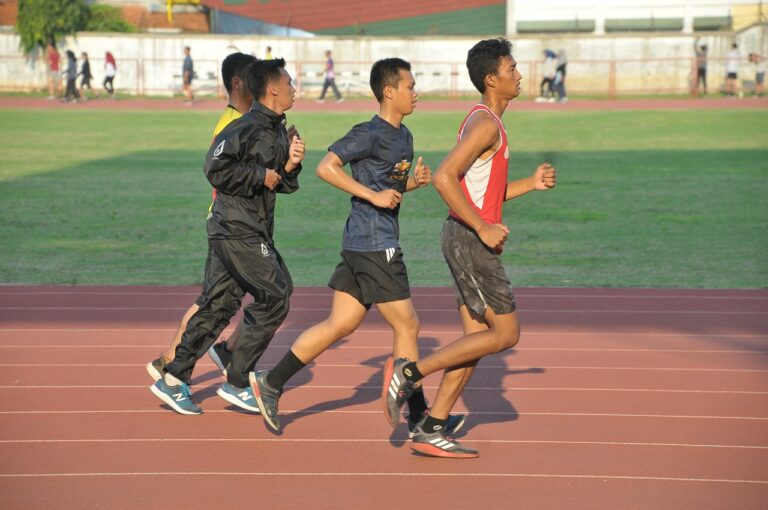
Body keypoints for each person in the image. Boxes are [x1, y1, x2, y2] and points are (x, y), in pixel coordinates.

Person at [249, 58, 463, 437]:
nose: (416, 93)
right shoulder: (368, 132)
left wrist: (412, 183)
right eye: (410, 86)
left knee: (341, 323)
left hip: (364, 242)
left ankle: (271, 383)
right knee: (409, 325)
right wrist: (373, 196)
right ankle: (419, 419)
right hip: (373, 243)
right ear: (389, 92)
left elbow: (388, 190)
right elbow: (326, 167)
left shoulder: (405, 137)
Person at [383, 38, 557, 458]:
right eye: (512, 69)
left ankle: (433, 425)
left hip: (466, 234)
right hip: (468, 238)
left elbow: (483, 194)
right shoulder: (484, 124)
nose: (519, 75)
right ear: (490, 79)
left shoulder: (489, 123)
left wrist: (530, 185)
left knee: (477, 336)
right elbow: (445, 177)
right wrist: (482, 228)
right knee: (506, 333)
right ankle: (410, 373)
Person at [150, 58, 305, 415]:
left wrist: (291, 166)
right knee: (277, 295)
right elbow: (215, 168)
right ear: (272, 88)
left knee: (219, 305)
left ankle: (173, 379)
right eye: (290, 81)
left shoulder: (279, 130)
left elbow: (279, 182)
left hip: (245, 227)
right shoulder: (242, 127)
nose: (295, 88)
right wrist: (259, 175)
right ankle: (237, 381)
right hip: (236, 228)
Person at [145, 52, 259, 382]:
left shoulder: (239, 120)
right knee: (217, 302)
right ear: (238, 83)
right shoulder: (231, 125)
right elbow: (221, 175)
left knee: (239, 297)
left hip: (235, 223)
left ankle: (216, 353)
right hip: (229, 224)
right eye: (255, 78)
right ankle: (171, 363)